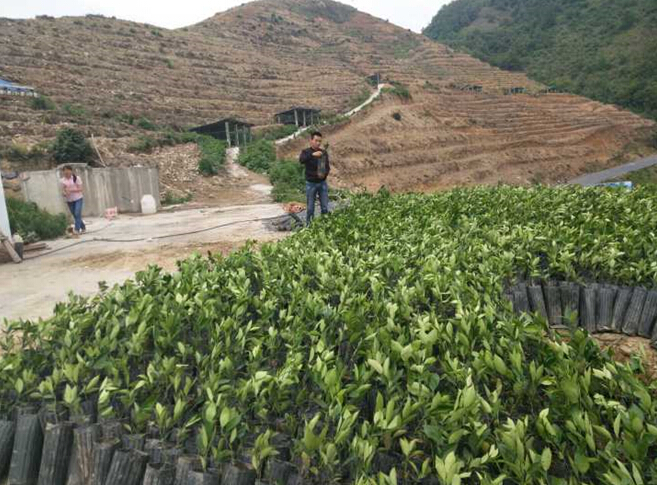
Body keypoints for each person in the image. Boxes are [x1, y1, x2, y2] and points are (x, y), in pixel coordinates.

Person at [299, 131, 330, 225]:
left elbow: (327, 167)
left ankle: (325, 225)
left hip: (322, 183)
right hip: (311, 184)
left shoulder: (323, 152)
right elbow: (301, 160)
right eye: (316, 140)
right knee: (310, 208)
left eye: (320, 141)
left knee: (324, 207)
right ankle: (309, 227)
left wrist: (324, 175)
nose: (318, 143)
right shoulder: (306, 152)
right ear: (311, 140)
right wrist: (312, 155)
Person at [60, 165, 86, 235]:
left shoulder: (76, 178)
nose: (66, 172)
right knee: (75, 215)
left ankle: (76, 229)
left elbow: (80, 189)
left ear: (71, 171)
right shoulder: (62, 180)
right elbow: (63, 190)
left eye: (68, 170)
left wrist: (71, 190)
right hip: (69, 200)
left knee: (77, 213)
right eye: (64, 171)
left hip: (78, 198)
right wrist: (64, 193)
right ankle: (83, 227)